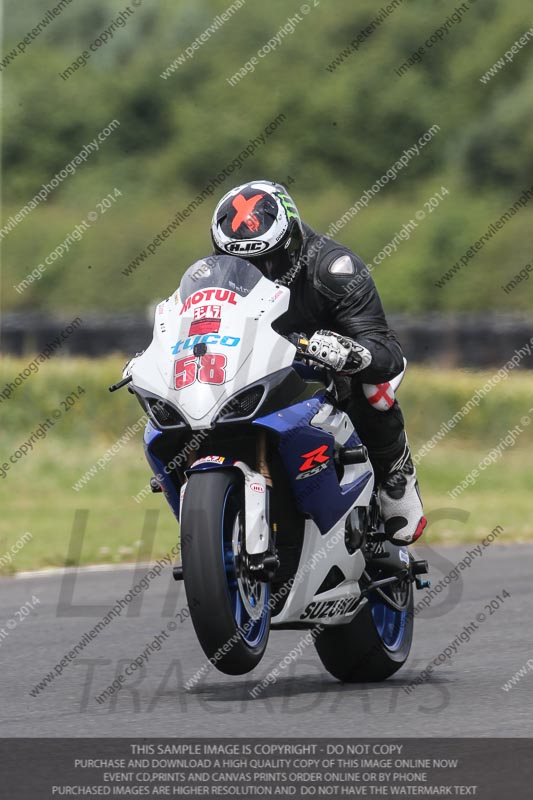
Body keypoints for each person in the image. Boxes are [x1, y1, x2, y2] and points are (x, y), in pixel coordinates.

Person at [210, 179, 426, 545]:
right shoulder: (214, 277)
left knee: (373, 389)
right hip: (255, 371)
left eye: (264, 259)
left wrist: (349, 352)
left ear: (290, 242)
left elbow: (387, 353)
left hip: (328, 373)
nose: (254, 270)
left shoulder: (334, 269)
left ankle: (395, 473)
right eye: (239, 260)